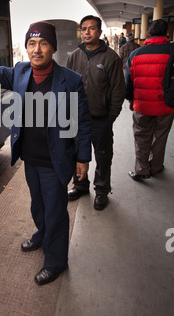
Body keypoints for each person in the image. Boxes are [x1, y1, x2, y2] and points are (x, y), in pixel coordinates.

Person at [0, 21, 92, 286]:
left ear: (53, 48)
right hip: (30, 159)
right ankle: (41, 234)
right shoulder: (20, 72)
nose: (37, 50)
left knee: (56, 212)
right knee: (38, 205)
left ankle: (56, 262)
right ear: (26, 48)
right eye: (31, 44)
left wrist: (83, 158)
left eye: (43, 43)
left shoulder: (70, 81)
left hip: (55, 161)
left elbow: (82, 122)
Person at [66, 15, 126, 210]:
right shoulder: (74, 56)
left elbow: (118, 90)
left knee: (102, 156)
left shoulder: (111, 58)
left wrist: (110, 118)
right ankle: (80, 185)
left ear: (99, 32)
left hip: (101, 119)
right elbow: (66, 86)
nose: (87, 32)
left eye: (91, 29)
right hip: (77, 119)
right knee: (76, 153)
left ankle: (101, 190)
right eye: (84, 29)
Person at [125, 19, 174, 180]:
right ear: (167, 33)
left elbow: (128, 82)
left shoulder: (135, 54)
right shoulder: (172, 51)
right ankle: (156, 167)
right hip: (166, 105)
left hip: (142, 105)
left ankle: (141, 170)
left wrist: (131, 100)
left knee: (141, 137)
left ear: (147, 34)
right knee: (160, 137)